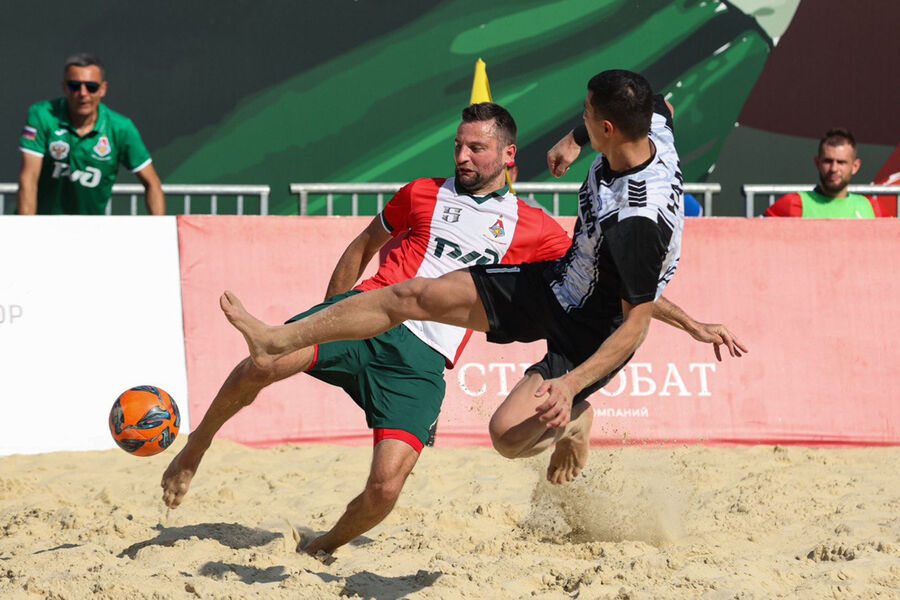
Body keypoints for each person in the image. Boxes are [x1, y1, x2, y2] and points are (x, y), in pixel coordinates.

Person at [218, 70, 747, 492]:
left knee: (506, 437)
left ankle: (575, 421)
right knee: (412, 294)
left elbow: (635, 324)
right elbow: (661, 106)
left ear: (608, 129)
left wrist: (570, 386)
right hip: (558, 281)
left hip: (594, 328)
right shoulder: (655, 129)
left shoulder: (636, 222)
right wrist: (572, 140)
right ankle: (277, 339)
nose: (580, 118)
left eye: (585, 115)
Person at [17, 53, 165, 215]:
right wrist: (28, 227)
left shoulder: (121, 128)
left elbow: (152, 183)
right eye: (74, 86)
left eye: (91, 87)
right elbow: (29, 178)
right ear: (64, 87)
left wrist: (159, 228)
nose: (83, 93)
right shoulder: (42, 115)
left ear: (103, 89)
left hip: (90, 227)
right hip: (42, 223)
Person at [764, 128, 882, 218]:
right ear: (817, 163)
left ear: (855, 166)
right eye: (828, 161)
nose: (834, 168)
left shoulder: (871, 208)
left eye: (841, 162)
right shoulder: (794, 204)